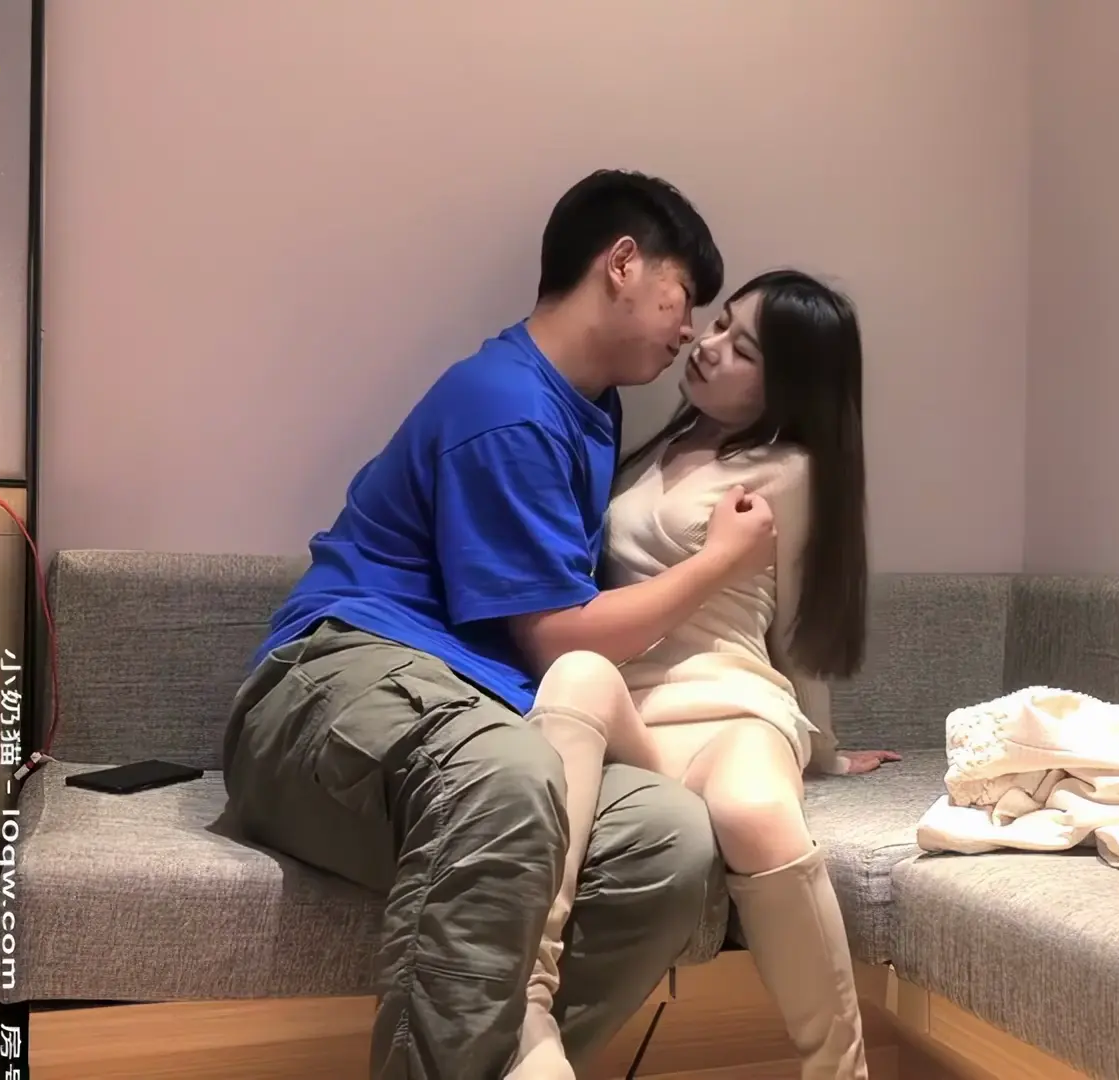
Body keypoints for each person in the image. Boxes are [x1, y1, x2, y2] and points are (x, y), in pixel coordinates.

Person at [219, 169, 775, 1080]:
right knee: (508, 777)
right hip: (333, 685)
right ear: (623, 264)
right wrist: (719, 562)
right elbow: (559, 637)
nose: (688, 332)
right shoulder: (505, 404)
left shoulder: (590, 411)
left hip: (473, 717)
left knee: (671, 840)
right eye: (684, 298)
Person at [511, 269, 896, 1080]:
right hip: (634, 712)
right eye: (719, 325)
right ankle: (526, 1011)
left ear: (789, 385)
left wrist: (826, 751)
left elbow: (797, 629)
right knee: (576, 673)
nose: (707, 346)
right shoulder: (645, 447)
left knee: (756, 814)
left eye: (742, 348)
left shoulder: (791, 471)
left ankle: (841, 1070)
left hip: (731, 706)